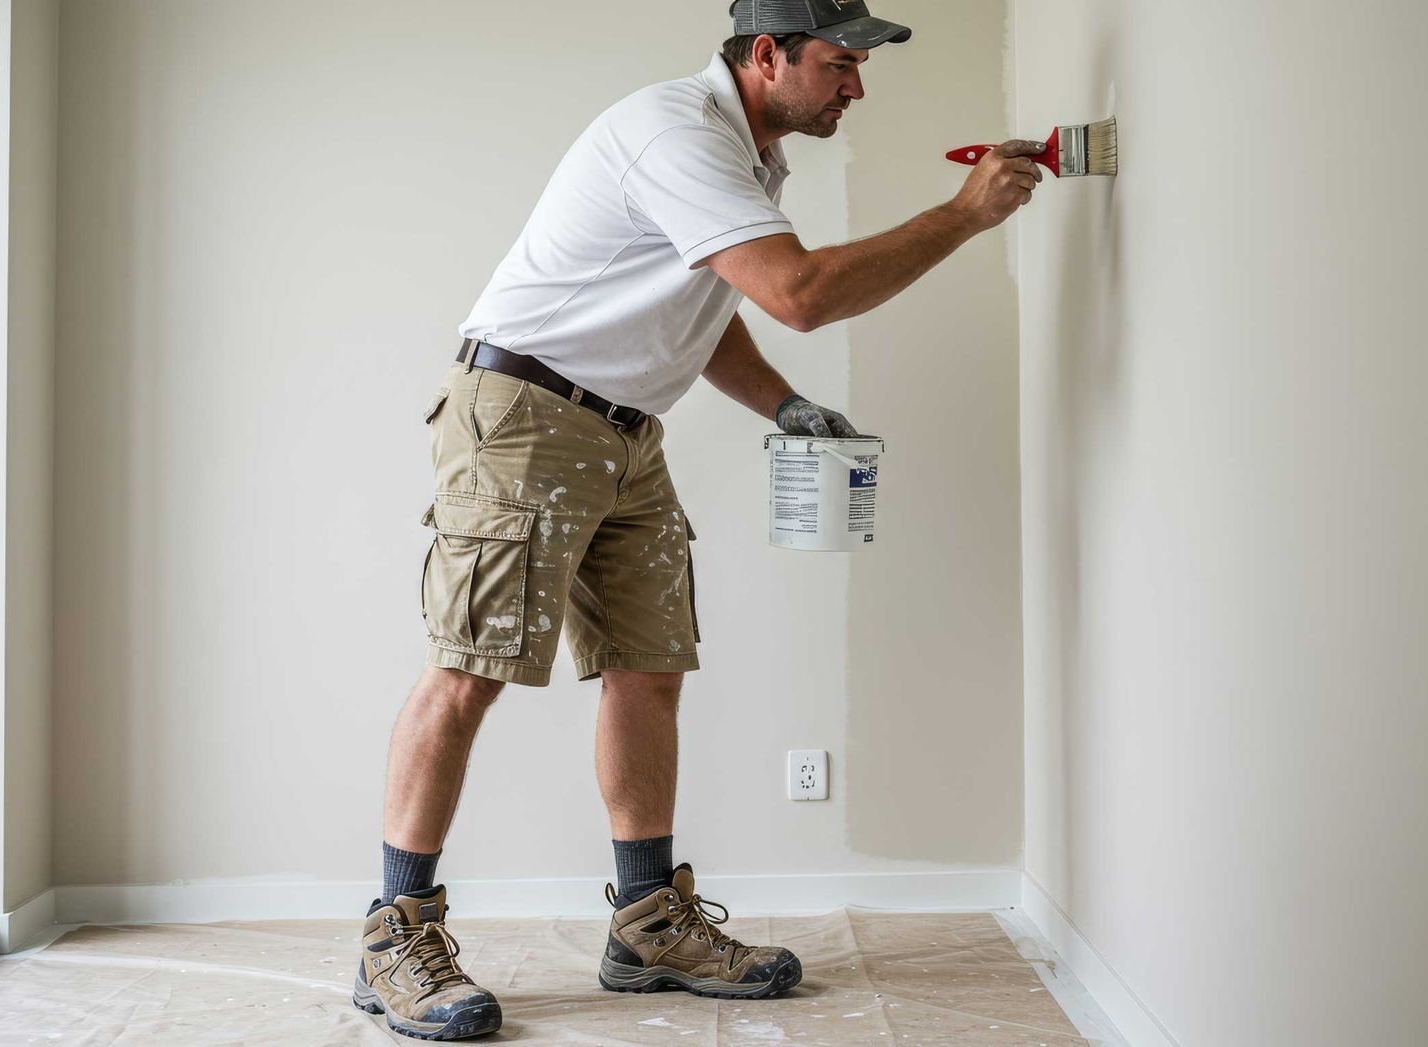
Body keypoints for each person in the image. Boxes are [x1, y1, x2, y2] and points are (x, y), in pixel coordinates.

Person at [353, 1, 1045, 1038]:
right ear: (766, 55)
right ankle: (393, 935)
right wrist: (964, 215)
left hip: (626, 431)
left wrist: (785, 406)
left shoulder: (751, 156)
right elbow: (797, 294)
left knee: (650, 666)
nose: (855, 87)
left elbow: (707, 305)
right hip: (526, 418)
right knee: (469, 669)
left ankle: (647, 925)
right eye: (838, 63)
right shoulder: (675, 132)